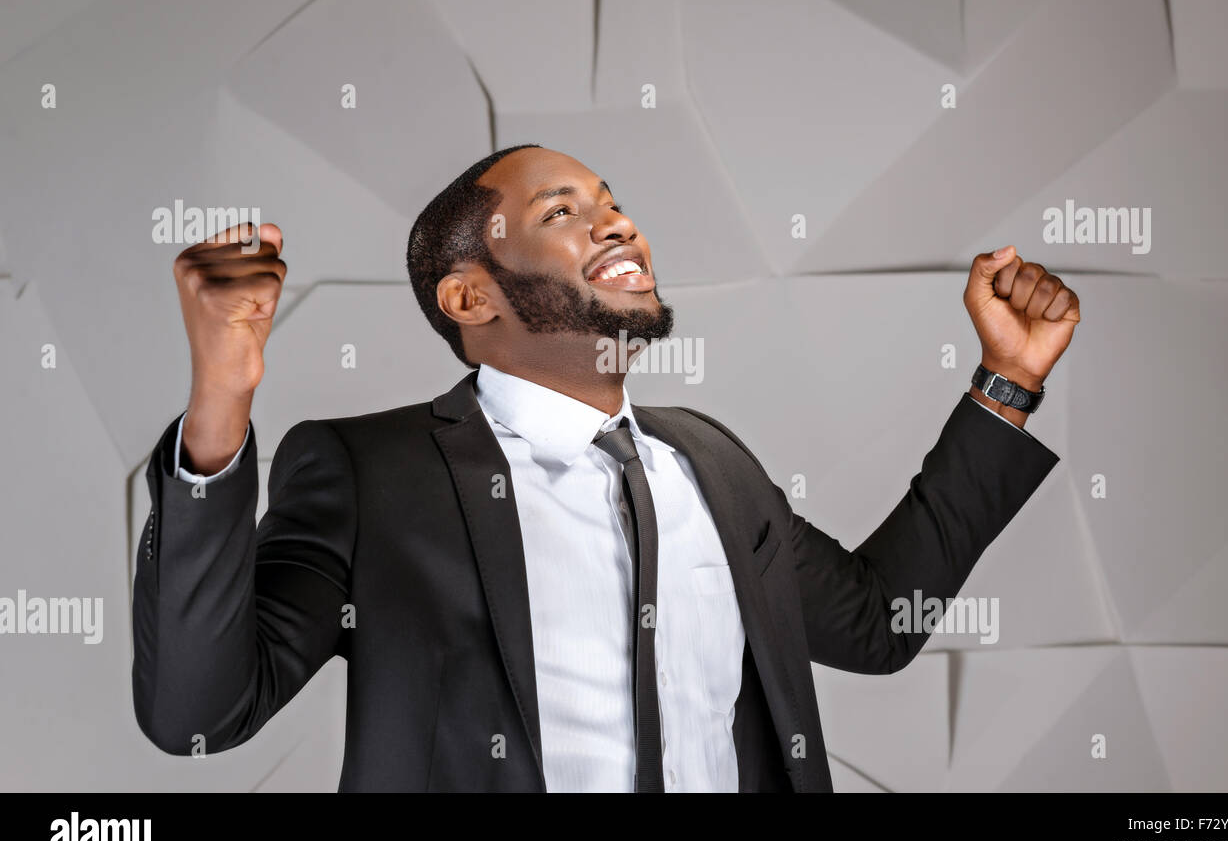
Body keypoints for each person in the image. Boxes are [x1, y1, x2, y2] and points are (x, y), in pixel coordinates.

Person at [132, 144, 1080, 792]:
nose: (618, 225)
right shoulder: (370, 473)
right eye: (565, 211)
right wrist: (220, 402)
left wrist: (1008, 383)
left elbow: (878, 624)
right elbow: (197, 712)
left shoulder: (712, 465)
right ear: (469, 294)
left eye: (616, 205)